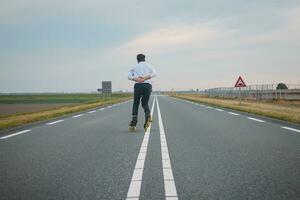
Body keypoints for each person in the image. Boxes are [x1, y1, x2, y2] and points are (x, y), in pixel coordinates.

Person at [127, 54, 156, 131]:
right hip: (147, 86)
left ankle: (134, 123)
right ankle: (148, 115)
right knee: (145, 103)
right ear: (144, 59)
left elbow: (129, 76)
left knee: (136, 103)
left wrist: (136, 79)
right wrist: (145, 78)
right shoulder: (149, 66)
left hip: (138, 85)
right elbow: (154, 74)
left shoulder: (135, 67)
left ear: (137, 60)